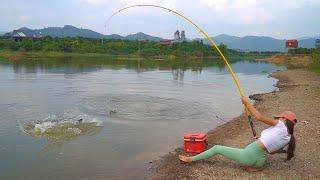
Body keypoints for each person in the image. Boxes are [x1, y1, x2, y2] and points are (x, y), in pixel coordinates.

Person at [179, 97, 297, 171]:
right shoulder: (288, 137)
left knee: (216, 148)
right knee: (253, 157)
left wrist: (247, 103)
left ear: (284, 119)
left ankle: (191, 159)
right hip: (260, 160)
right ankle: (257, 167)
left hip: (249, 156)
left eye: (280, 117)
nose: (278, 118)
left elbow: (259, 117)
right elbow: (272, 150)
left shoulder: (280, 124)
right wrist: (261, 139)